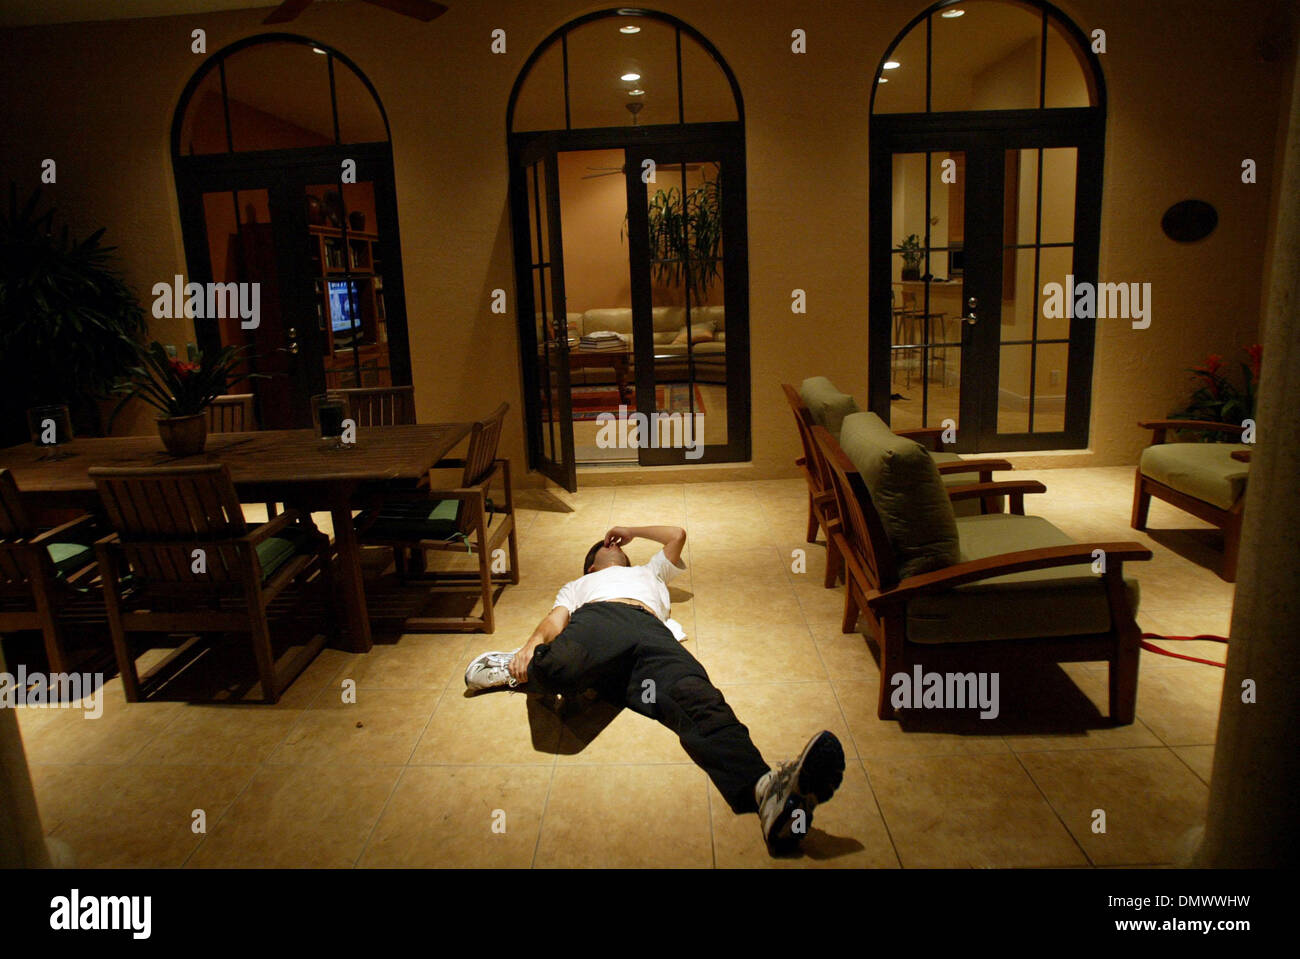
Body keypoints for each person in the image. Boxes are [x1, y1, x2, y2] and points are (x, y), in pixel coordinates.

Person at [464, 524, 845, 855]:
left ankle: (767, 794)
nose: (613, 546)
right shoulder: (580, 584)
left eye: (618, 546)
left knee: (698, 698)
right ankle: (516, 666)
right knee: (555, 665)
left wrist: (631, 529)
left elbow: (677, 534)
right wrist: (531, 645)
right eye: (605, 547)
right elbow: (556, 619)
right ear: (592, 564)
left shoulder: (651, 572)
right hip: (602, 617)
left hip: (651, 635)